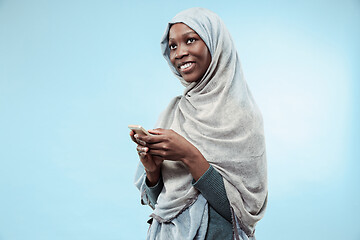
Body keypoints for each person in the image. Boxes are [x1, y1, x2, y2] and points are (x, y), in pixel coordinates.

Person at [130, 7, 267, 240]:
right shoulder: (174, 112)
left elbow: (239, 215)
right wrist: (152, 170)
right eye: (173, 46)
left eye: (190, 40)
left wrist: (189, 155)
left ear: (215, 44)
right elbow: (160, 204)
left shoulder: (243, 116)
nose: (179, 53)